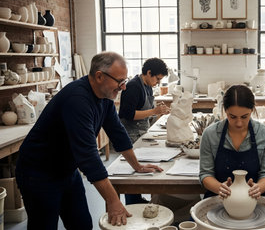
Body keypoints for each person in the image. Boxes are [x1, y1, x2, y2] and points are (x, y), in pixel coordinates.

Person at [15, 52, 163, 229]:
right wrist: (112, 200)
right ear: (99, 76)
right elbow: (88, 156)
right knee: (44, 225)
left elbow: (118, 132)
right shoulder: (77, 99)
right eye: (120, 81)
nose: (123, 87)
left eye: (125, 80)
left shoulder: (105, 97)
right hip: (39, 172)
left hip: (67, 169)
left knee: (82, 224)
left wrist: (137, 166)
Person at [199, 85, 265, 230]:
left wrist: (259, 187)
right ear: (225, 111)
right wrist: (219, 187)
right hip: (219, 196)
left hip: (255, 198)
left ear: (252, 110)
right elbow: (205, 174)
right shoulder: (210, 134)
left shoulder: (264, 134)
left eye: (244, 116)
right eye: (232, 117)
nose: (239, 123)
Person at [119, 57, 170, 204]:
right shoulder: (134, 86)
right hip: (131, 133)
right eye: (157, 79)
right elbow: (127, 115)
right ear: (149, 72)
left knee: (141, 167)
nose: (158, 82)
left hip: (141, 130)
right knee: (133, 169)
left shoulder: (146, 85)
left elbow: (144, 108)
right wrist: (154, 110)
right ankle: (132, 201)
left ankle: (137, 198)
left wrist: (157, 110)